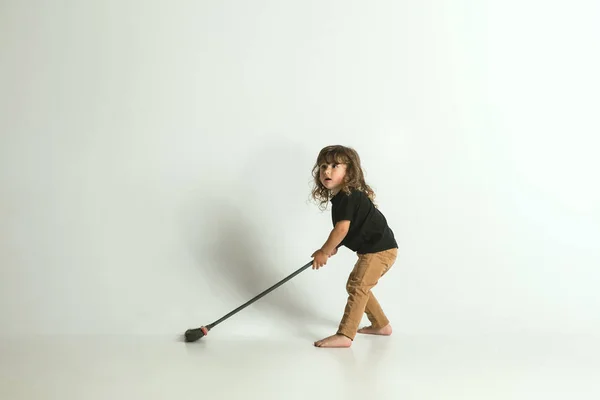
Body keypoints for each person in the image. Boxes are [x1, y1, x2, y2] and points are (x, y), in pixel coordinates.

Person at [309, 145, 398, 348]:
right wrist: (334, 247)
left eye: (334, 165)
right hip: (377, 249)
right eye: (323, 166)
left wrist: (324, 251)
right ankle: (381, 325)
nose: (326, 171)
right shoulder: (341, 198)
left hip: (380, 250)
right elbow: (349, 230)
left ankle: (345, 335)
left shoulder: (348, 196)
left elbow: (341, 229)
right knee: (356, 285)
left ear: (349, 171)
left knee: (358, 286)